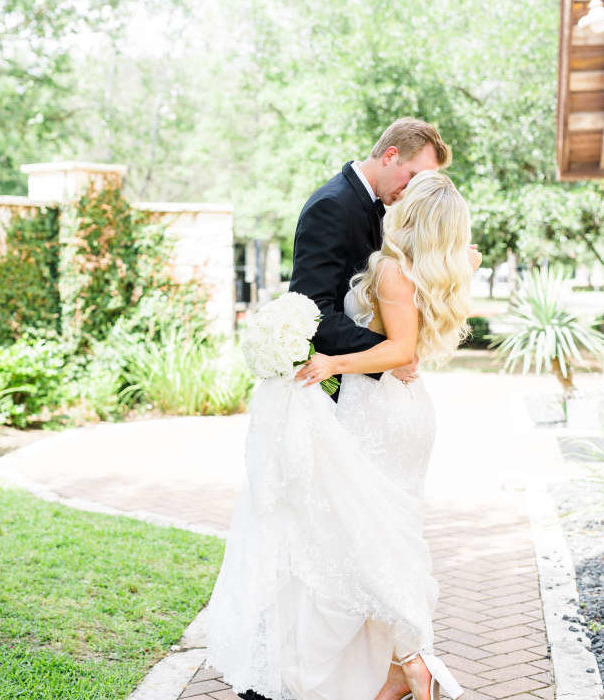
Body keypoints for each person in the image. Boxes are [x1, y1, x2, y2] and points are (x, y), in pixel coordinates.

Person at [206, 167, 482, 700]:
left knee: (354, 538)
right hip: (404, 411)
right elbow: (417, 334)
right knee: (376, 534)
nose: (396, 199)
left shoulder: (394, 271)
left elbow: (402, 350)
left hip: (378, 410)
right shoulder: (448, 269)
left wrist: (331, 361)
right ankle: (402, 665)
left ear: (413, 214)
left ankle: (406, 660)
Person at [287, 117, 452, 400]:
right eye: (413, 177)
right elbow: (313, 313)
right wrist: (390, 353)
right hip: (332, 389)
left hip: (362, 389)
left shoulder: (377, 207)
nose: (414, 191)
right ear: (390, 155)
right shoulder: (332, 206)